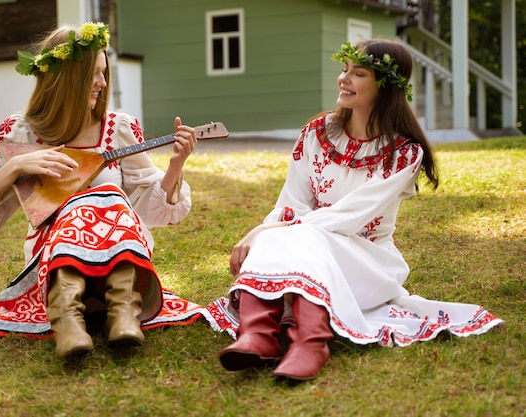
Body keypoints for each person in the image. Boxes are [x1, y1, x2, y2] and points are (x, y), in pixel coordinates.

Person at [206, 39, 503, 382]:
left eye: (358, 73)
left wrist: (266, 231)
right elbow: (293, 202)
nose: (343, 79)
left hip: (367, 262)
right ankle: (258, 336)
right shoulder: (316, 134)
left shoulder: (403, 153)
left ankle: (309, 343)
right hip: (305, 248)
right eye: (344, 69)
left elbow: (348, 217)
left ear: (385, 87)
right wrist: (273, 228)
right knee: (289, 234)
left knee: (288, 235)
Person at [0, 22, 201, 359]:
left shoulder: (118, 129)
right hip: (57, 267)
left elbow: (150, 212)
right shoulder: (21, 132)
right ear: (66, 78)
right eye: (93, 74)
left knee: (109, 199)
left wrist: (175, 167)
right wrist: (14, 168)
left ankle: (124, 313)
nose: (102, 83)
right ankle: (67, 318)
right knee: (85, 202)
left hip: (118, 264)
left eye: (104, 73)